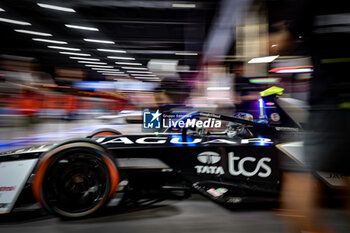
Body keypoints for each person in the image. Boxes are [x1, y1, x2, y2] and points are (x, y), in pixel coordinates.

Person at [271, 0, 350, 232]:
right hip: (334, 105)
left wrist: (280, 35)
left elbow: (281, 44)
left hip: (330, 102)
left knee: (300, 175)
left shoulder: (313, 5)